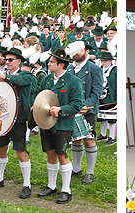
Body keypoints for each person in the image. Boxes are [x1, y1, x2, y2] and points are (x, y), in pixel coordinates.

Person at [0, 47, 37, 199]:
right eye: (5, 59)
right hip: (4, 118)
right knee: (1, 148)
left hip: (19, 119)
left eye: (10, 60)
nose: (6, 62)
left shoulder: (26, 74)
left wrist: (3, 76)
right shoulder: (4, 75)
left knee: (20, 151)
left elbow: (21, 81)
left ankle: (27, 185)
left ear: (19, 61)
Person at [35, 48, 83, 204]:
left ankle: (66, 190)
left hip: (63, 123)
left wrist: (61, 109)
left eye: (52, 62)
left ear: (61, 65)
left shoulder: (73, 81)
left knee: (62, 155)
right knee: (50, 154)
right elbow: (41, 96)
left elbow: (77, 104)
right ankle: (51, 186)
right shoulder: (46, 80)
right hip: (46, 123)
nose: (49, 64)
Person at [66, 41, 103, 184]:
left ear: (87, 51)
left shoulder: (94, 69)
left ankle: (90, 172)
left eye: (79, 51)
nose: (76, 54)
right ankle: (76, 169)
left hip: (88, 110)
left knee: (89, 139)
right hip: (72, 109)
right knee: (75, 138)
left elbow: (97, 92)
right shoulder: (69, 69)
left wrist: (86, 105)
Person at [97, 51, 117, 146]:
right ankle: (103, 134)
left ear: (110, 61)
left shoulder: (115, 70)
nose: (103, 63)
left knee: (111, 117)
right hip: (101, 97)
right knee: (102, 116)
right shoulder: (99, 69)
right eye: (101, 60)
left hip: (111, 97)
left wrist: (117, 100)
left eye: (105, 61)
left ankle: (112, 137)